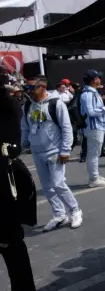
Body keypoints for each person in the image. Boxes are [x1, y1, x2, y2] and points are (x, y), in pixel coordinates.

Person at [21, 76, 83, 232]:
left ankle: (75, 210)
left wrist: (65, 150)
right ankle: (59, 214)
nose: (27, 92)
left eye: (30, 88)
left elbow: (66, 127)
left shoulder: (56, 103)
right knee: (47, 187)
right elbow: (25, 127)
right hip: (37, 151)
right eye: (25, 88)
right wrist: (23, 144)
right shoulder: (27, 105)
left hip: (54, 151)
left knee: (58, 183)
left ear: (41, 87)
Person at [0, 70, 37, 291]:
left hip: (4, 180)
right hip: (7, 176)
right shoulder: (10, 102)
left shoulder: (6, 104)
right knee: (12, 246)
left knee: (11, 244)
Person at [80, 70, 105, 187]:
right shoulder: (88, 94)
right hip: (94, 127)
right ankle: (93, 179)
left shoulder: (92, 93)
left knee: (95, 153)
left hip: (97, 126)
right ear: (94, 80)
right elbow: (90, 112)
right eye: (98, 77)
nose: (100, 79)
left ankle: (95, 175)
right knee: (93, 153)